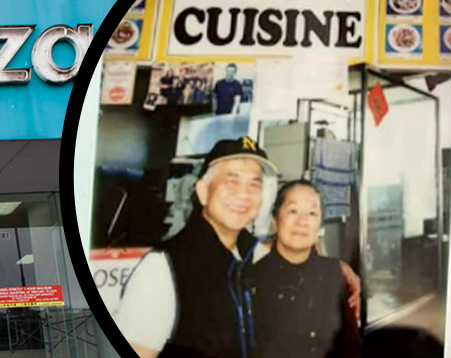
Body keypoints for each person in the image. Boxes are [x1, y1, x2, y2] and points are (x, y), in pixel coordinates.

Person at [114, 137, 275, 358]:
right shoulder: (163, 266)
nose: (244, 194)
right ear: (203, 191)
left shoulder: (258, 257)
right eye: (232, 181)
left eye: (254, 184)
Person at [244, 180, 361, 358]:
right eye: (293, 211)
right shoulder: (251, 279)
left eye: (312, 213)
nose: (302, 221)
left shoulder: (335, 274)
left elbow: (352, 347)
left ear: (319, 226)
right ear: (274, 220)